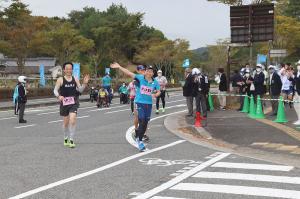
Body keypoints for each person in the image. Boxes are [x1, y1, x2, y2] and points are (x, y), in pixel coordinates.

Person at [110, 63, 160, 152]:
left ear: (153, 73)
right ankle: (139, 141)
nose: (149, 72)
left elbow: (159, 91)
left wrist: (156, 94)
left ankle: (139, 136)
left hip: (148, 104)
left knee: (145, 122)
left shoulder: (155, 82)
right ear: (145, 72)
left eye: (151, 71)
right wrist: (120, 67)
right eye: (147, 71)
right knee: (142, 118)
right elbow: (129, 73)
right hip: (139, 102)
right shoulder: (140, 78)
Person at [53, 62, 89, 148]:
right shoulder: (60, 79)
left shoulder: (75, 79)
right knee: (65, 123)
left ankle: (71, 140)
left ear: (72, 70)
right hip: (64, 102)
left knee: (72, 120)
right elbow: (55, 90)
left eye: (70, 68)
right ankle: (65, 138)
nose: (69, 70)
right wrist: (59, 96)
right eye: (67, 68)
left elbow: (80, 90)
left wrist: (84, 84)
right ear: (64, 70)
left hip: (74, 102)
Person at [291, 60, 300, 125]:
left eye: (299, 65)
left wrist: (293, 76)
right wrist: (289, 77)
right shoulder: (297, 73)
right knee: (296, 105)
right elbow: (294, 80)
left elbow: (298, 80)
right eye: (298, 65)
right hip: (296, 91)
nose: (298, 66)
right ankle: (299, 119)